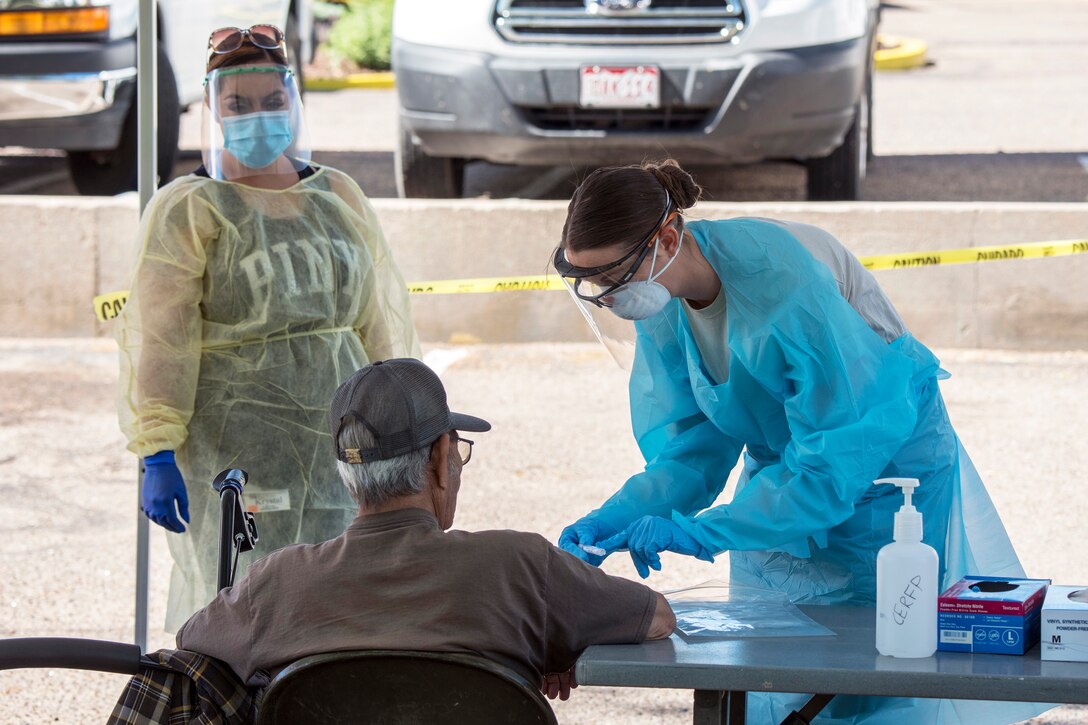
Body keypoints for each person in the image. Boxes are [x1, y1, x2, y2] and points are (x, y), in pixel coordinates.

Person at [552, 160, 1048, 724]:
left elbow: (830, 468)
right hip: (788, 470)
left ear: (667, 238)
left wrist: (699, 530)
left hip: (883, 474)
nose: (611, 299)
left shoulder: (785, 285)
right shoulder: (661, 299)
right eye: (595, 287)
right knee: (765, 660)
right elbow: (692, 444)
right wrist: (616, 517)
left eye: (614, 280)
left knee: (867, 665)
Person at [115, 24, 420, 632]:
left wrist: (409, 420)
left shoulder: (340, 196)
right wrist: (157, 447)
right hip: (233, 454)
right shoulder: (191, 209)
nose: (258, 116)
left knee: (340, 599)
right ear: (212, 108)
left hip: (345, 447)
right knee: (242, 607)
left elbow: (379, 321)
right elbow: (163, 336)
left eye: (272, 101)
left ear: (293, 100)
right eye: (238, 105)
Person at [177, 358, 675, 700]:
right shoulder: (520, 566)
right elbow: (656, 617)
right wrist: (556, 638)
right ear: (440, 459)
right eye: (457, 451)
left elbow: (192, 639)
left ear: (349, 479)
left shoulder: (276, 582)